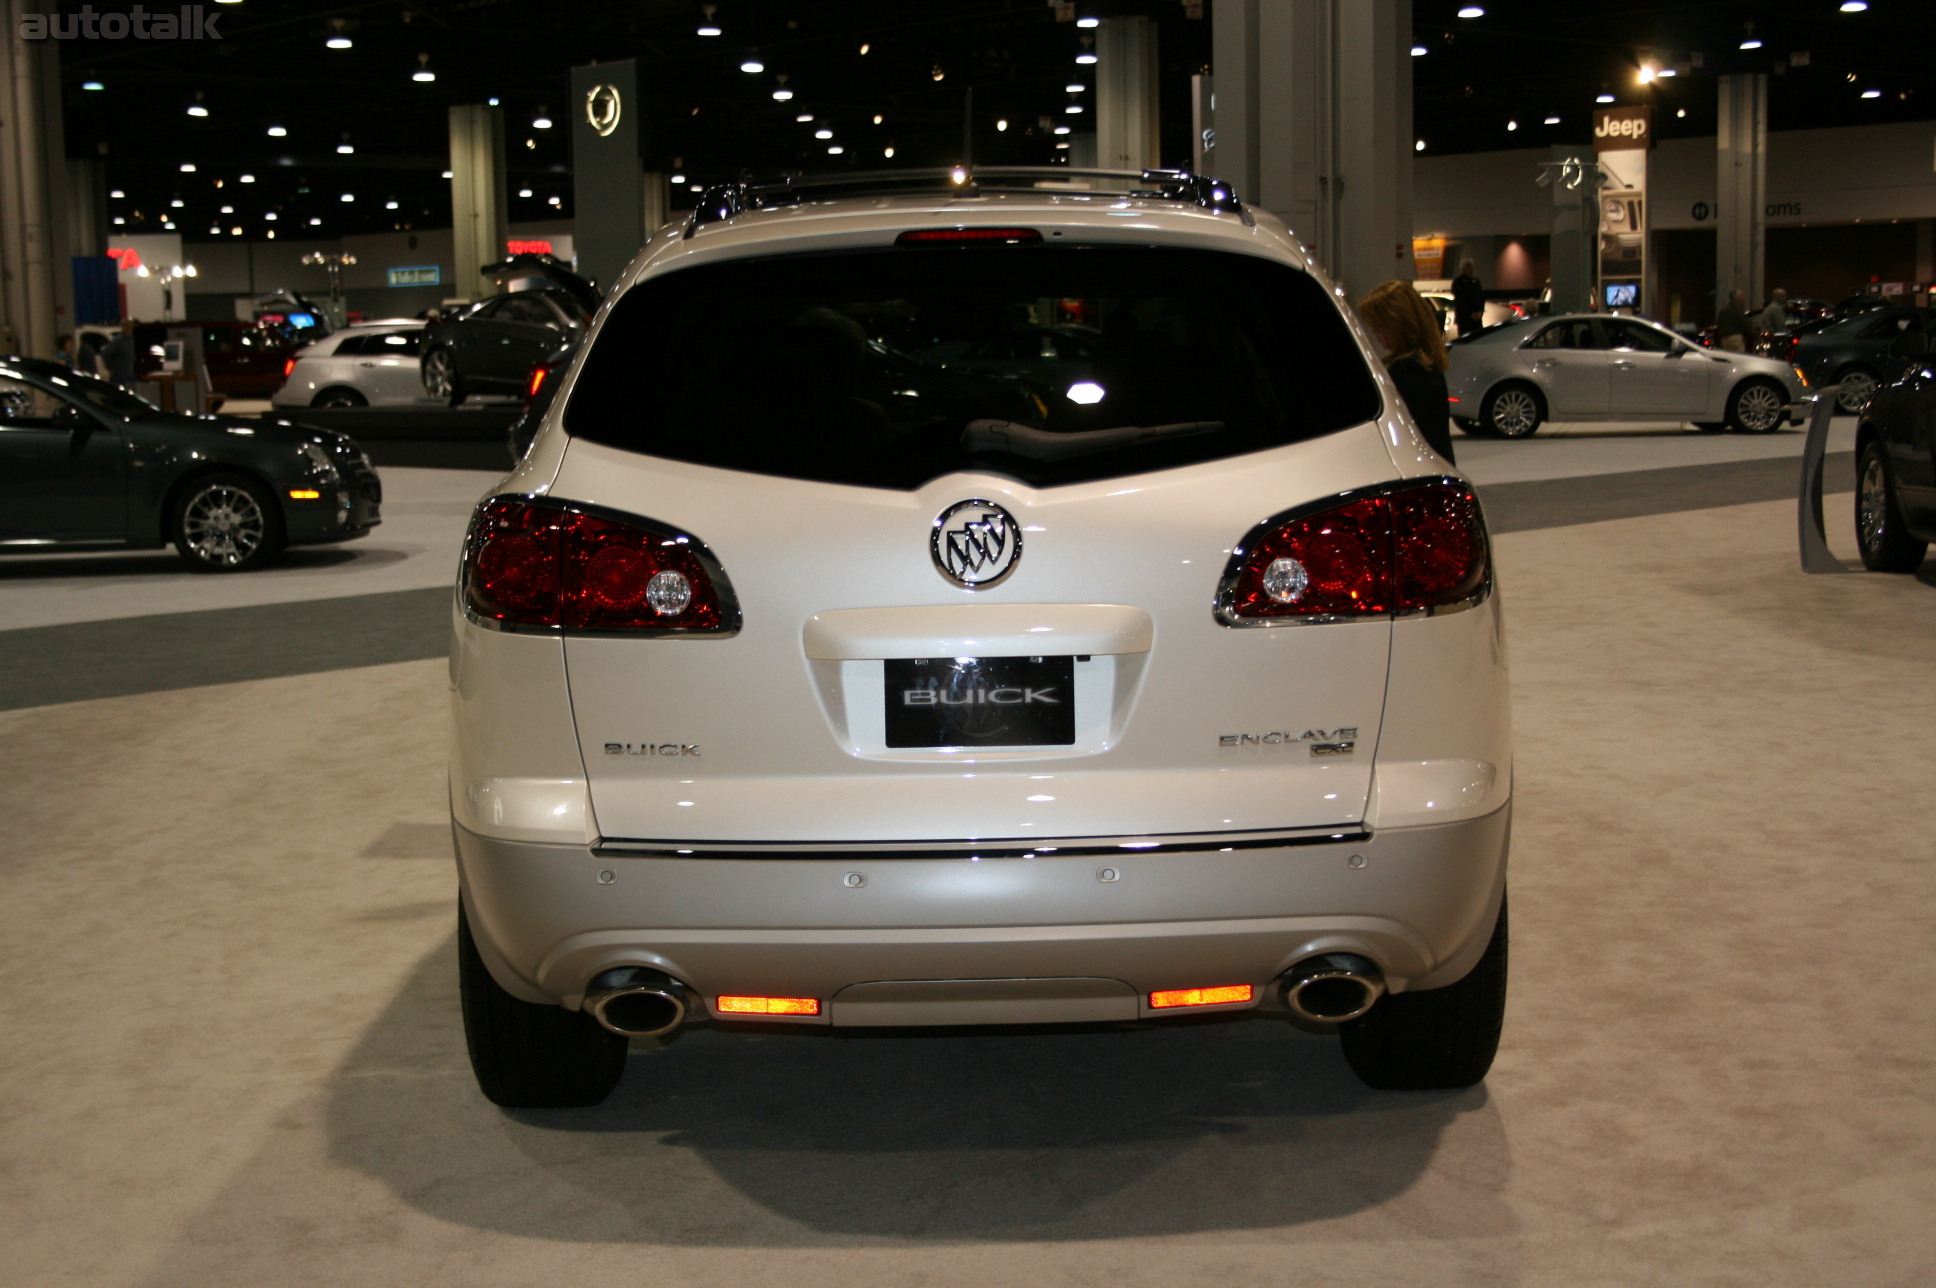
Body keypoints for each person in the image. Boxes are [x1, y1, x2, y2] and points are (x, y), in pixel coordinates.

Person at [1358, 280, 1455, 463]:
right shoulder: (1426, 363)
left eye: (1379, 326)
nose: (1375, 333)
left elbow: (1399, 435)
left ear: (1397, 324)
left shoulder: (1407, 371)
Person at [1450, 257, 1484, 339]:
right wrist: (1470, 313)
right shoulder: (1458, 282)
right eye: (1469, 267)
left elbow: (1481, 297)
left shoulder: (1476, 281)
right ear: (1463, 268)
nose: (1471, 269)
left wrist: (1480, 311)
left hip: (1477, 318)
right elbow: (1459, 301)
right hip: (1464, 319)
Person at [101, 318, 137, 388]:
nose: (129, 329)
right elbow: (105, 353)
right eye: (127, 326)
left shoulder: (131, 339)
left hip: (129, 373)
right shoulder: (118, 340)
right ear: (123, 327)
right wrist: (110, 367)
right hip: (119, 374)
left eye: (131, 327)